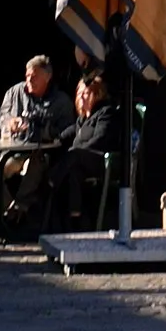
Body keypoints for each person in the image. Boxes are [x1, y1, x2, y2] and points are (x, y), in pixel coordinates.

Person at [0, 53, 74, 235]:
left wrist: (45, 131)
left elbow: (68, 130)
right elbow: (0, 118)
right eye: (28, 75)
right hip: (14, 152)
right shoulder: (15, 93)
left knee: (34, 165)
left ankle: (18, 210)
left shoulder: (60, 101)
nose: (29, 80)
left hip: (43, 155)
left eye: (35, 76)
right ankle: (10, 211)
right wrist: (10, 122)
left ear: (48, 77)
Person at [46, 70, 116, 233]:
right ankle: (75, 218)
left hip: (100, 160)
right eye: (80, 93)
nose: (82, 97)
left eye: (87, 93)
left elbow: (100, 139)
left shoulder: (105, 112)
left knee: (74, 154)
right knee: (73, 173)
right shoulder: (82, 118)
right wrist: (53, 138)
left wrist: (77, 151)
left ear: (97, 94)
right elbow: (69, 133)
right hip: (78, 162)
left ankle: (50, 181)